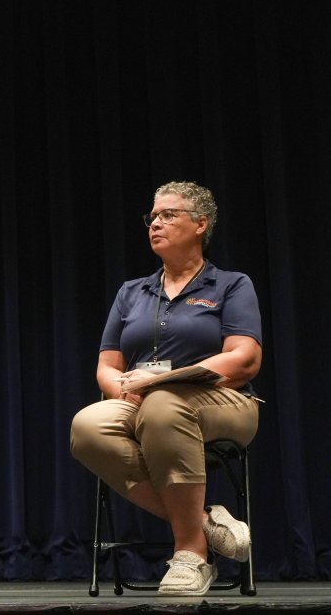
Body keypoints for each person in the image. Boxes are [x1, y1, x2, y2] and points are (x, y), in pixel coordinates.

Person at [70, 181, 262, 596]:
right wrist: (123, 392)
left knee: (163, 405)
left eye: (168, 214)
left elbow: (244, 359)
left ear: (200, 225)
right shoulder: (132, 292)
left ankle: (191, 554)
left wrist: (157, 382)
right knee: (87, 426)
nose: (155, 222)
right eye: (152, 216)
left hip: (223, 402)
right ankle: (207, 523)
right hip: (141, 403)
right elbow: (107, 365)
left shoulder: (229, 285)